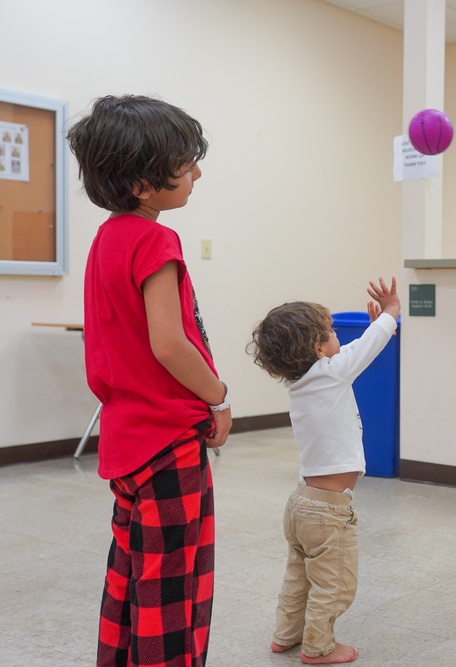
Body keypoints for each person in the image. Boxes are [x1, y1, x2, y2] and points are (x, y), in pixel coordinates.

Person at [67, 95, 231, 666]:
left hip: (125, 439)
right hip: (168, 442)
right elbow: (169, 344)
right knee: (173, 587)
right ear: (142, 181)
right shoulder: (156, 240)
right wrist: (221, 397)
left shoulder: (106, 240)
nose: (196, 173)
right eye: (186, 164)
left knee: (131, 572)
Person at [247, 278, 400, 664]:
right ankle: (318, 647)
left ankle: (286, 636)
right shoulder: (332, 373)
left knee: (298, 578)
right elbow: (369, 347)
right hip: (329, 512)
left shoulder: (298, 381)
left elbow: (351, 352)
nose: (337, 338)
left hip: (301, 504)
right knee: (334, 584)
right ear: (318, 348)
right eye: (330, 332)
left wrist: (372, 325)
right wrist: (390, 312)